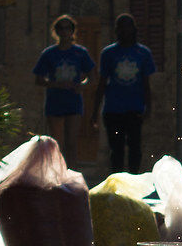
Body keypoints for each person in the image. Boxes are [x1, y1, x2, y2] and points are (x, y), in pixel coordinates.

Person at [90, 13, 156, 174]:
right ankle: (118, 184)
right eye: (121, 27)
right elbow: (102, 83)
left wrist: (148, 107)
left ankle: (133, 183)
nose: (125, 31)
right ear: (116, 30)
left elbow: (146, 83)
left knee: (135, 148)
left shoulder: (143, 53)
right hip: (113, 110)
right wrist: (94, 112)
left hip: (134, 108)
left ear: (134, 29)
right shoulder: (108, 53)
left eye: (128, 27)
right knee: (116, 150)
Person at [33, 15, 95, 164]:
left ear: (73, 31)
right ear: (56, 31)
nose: (65, 31)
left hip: (73, 102)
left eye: (68, 28)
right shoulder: (49, 54)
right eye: (61, 28)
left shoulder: (80, 53)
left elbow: (92, 76)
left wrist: (81, 85)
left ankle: (71, 177)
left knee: (72, 143)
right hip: (55, 101)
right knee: (56, 144)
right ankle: (56, 177)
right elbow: (39, 79)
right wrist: (56, 84)